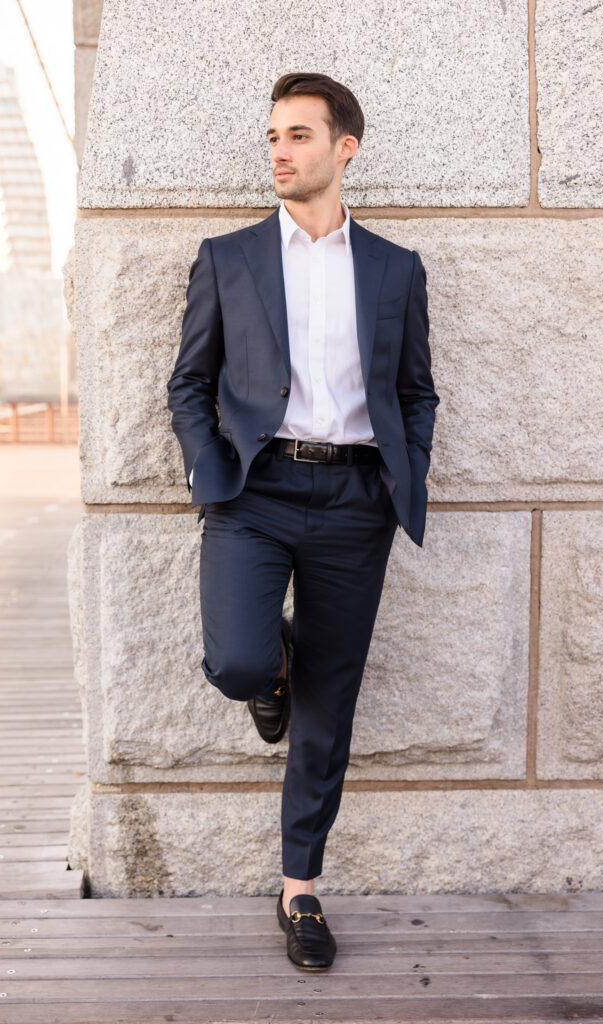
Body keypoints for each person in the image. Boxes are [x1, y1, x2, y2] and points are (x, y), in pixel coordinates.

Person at [166, 71, 439, 971]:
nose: (278, 152)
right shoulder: (230, 258)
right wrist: (213, 478)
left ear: (342, 149)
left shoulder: (396, 269)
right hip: (254, 494)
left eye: (296, 136)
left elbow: (414, 390)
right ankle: (267, 670)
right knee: (239, 658)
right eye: (272, 137)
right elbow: (191, 382)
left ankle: (300, 887)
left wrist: (406, 472)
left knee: (330, 700)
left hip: (356, 500)